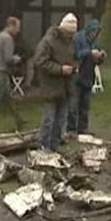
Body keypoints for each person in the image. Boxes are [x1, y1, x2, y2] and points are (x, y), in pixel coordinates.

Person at [34, 13, 78, 151]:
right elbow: (40, 61)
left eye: (72, 34)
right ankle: (44, 146)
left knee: (60, 120)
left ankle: (55, 145)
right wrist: (60, 69)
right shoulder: (48, 41)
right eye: (69, 33)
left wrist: (74, 68)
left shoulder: (70, 42)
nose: (70, 36)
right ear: (63, 29)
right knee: (49, 120)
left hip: (65, 86)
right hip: (51, 86)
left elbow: (73, 58)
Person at [66, 19, 106, 136]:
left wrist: (101, 57)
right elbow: (75, 54)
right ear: (89, 30)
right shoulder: (78, 38)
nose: (95, 34)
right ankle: (71, 129)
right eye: (94, 31)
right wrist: (89, 52)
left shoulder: (95, 42)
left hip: (89, 76)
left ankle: (83, 128)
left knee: (85, 105)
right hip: (77, 76)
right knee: (73, 105)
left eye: (97, 32)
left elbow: (97, 60)